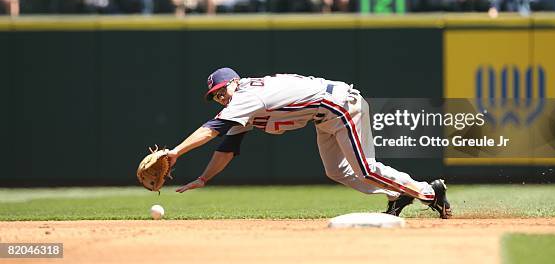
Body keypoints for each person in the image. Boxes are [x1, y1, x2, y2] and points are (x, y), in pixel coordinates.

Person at [166, 68, 451, 219]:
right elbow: (227, 146)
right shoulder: (245, 105)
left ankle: (429, 192)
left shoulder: (246, 96)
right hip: (325, 116)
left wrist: (176, 152)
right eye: (215, 96)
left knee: (365, 168)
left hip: (340, 105)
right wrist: (204, 178)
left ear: (234, 82)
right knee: (336, 171)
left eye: (221, 91)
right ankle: (397, 194)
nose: (220, 98)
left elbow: (213, 129)